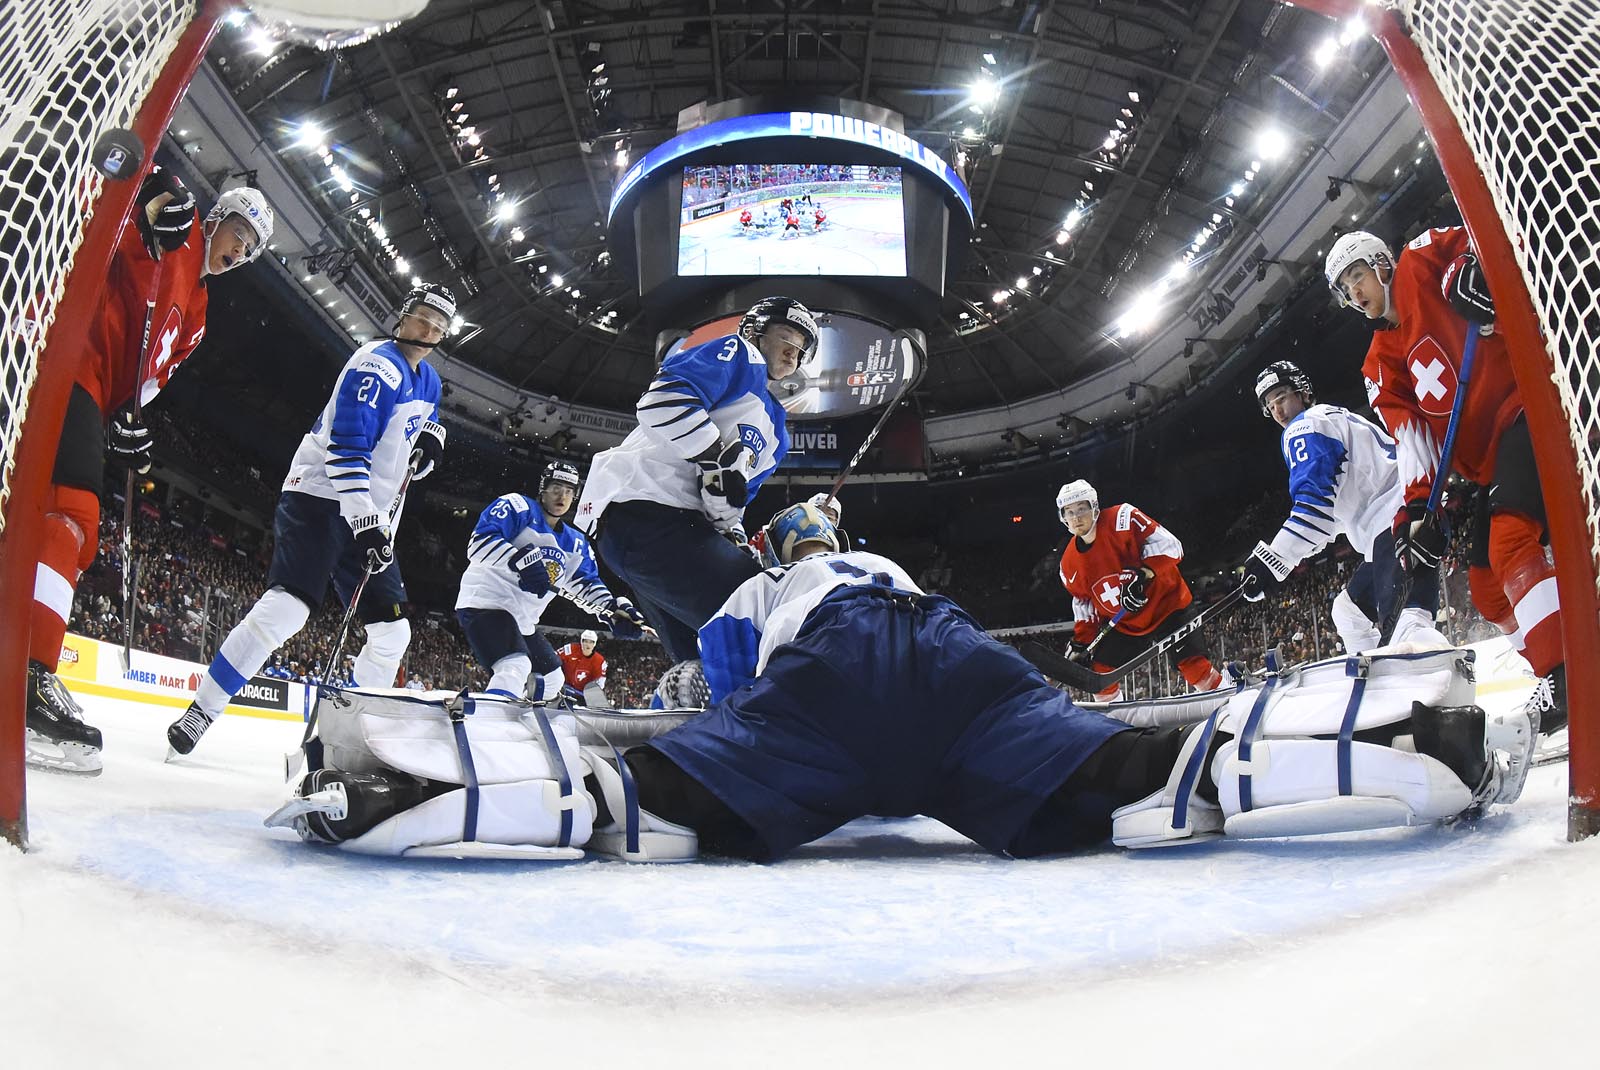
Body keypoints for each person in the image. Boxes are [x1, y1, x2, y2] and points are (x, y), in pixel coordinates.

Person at [575, 503, 1533, 862]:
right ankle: (1421, 736)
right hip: (950, 647)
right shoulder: (879, 563)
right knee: (1151, 771)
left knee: (636, 796)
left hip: (836, 667)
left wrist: (786, 771)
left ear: (777, 549)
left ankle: (519, 786)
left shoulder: (763, 585)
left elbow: (733, 693)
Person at [24, 172, 273, 775]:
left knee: (61, 527)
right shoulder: (180, 233)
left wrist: (127, 423)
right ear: (217, 218)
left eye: (251, 248)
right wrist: (156, 201)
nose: (240, 250)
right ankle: (29, 672)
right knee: (73, 514)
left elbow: (148, 382)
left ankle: (26, 660)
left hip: (94, 392)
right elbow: (143, 196)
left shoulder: (200, 314)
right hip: (66, 355)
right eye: (238, 233)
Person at [165, 283, 453, 756]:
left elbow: (418, 434)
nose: (428, 331)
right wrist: (367, 522)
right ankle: (203, 710)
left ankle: (353, 736)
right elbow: (346, 453)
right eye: (423, 319)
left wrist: (430, 443)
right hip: (322, 497)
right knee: (287, 610)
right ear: (402, 318)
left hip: (370, 513)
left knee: (392, 633)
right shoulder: (377, 366)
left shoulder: (430, 382)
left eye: (439, 327)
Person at [1326, 229, 1564, 729]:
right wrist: (1418, 510)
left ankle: (1566, 671)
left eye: (1357, 275)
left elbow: (1483, 236)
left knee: (1509, 544)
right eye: (1346, 289)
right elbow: (1413, 442)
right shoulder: (1379, 364)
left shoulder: (1419, 260)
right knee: (1486, 589)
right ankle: (1555, 662)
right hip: (1489, 463)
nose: (1355, 292)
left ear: (1381, 263)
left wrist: (1472, 272)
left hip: (1528, 406)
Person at [573, 296, 816, 663]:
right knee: (772, 616)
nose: (792, 352)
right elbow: (662, 402)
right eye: (786, 336)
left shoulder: (779, 434)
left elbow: (729, 506)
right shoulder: (739, 355)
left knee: (706, 665)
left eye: (800, 348)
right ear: (755, 331)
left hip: (674, 532)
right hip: (645, 512)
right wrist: (714, 457)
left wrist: (727, 510)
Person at [1240, 361, 1449, 653]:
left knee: (1409, 629)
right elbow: (1332, 518)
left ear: (1302, 392)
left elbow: (1314, 511)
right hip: (1396, 520)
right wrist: (1285, 559)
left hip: (1397, 521)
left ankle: (1436, 673)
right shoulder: (1329, 418)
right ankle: (1375, 669)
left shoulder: (1305, 427)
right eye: (1270, 405)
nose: (1277, 410)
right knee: (1348, 612)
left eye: (1281, 397)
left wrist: (1271, 562)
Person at [454, 463, 643, 702]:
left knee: (552, 679)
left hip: (522, 622)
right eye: (556, 488)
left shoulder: (575, 543)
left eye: (568, 491)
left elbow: (586, 585)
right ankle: (491, 716)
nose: (562, 497)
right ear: (543, 490)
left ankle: (518, 712)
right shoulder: (517, 507)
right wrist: (520, 560)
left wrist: (612, 610)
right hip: (486, 604)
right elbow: (479, 544)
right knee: (516, 664)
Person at [1054, 479, 1223, 701]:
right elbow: (1083, 603)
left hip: (1168, 606)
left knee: (1195, 669)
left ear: (1094, 507)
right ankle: (1115, 718)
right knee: (1100, 677)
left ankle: (1229, 702)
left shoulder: (1123, 518)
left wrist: (1143, 574)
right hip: (1125, 624)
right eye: (1069, 512)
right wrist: (1081, 642)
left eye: (1081, 508)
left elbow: (1172, 547)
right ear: (1063, 517)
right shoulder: (1068, 564)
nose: (1076, 517)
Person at [557, 629, 609, 706]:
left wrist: (593, 693)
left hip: (583, 695)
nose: (587, 644)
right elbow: (554, 658)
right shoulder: (570, 649)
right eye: (585, 641)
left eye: (591, 642)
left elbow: (600, 680)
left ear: (594, 644)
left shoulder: (599, 661)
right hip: (565, 689)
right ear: (581, 641)